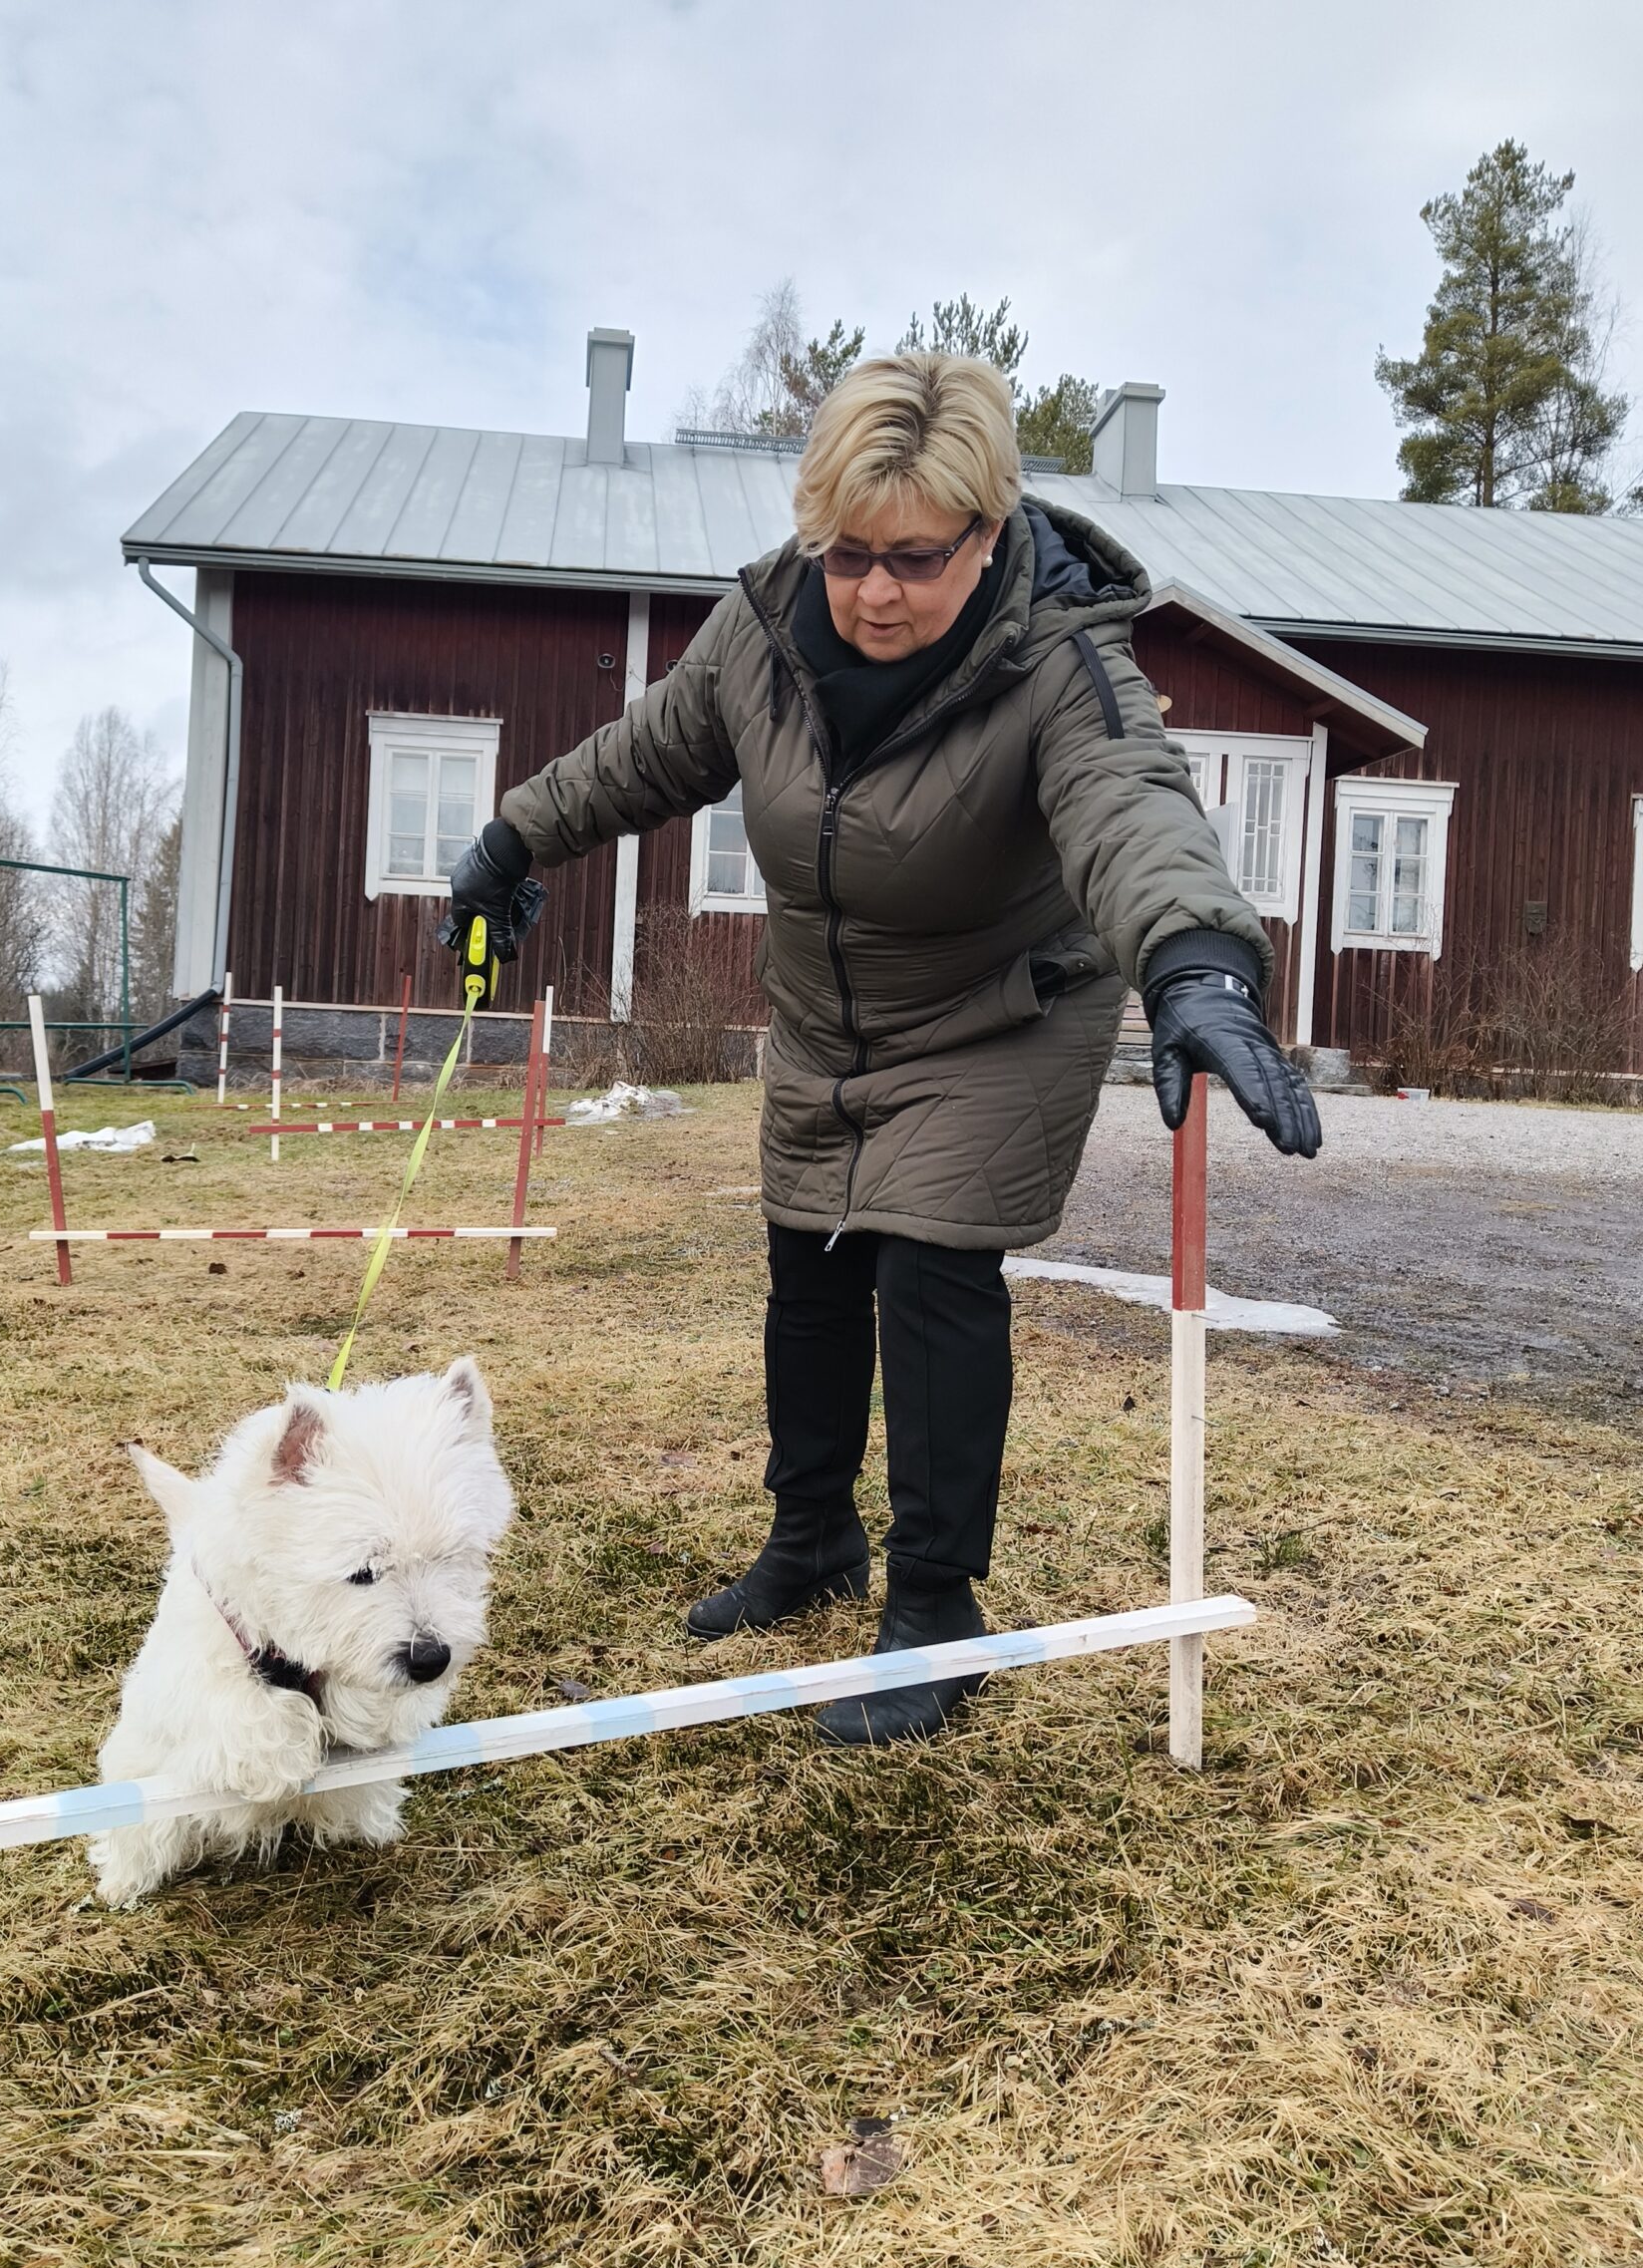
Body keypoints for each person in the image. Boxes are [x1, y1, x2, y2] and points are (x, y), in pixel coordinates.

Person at [447, 351, 1319, 1748]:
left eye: (916, 558)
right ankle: (811, 1540)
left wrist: (1196, 962)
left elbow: (1132, 805)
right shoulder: (763, 631)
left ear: (987, 532)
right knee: (808, 1263)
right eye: (848, 554)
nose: (874, 592)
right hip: (827, 1013)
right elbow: (647, 752)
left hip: (998, 1012)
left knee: (928, 1265)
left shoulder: (1060, 656)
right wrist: (509, 839)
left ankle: (933, 1612)